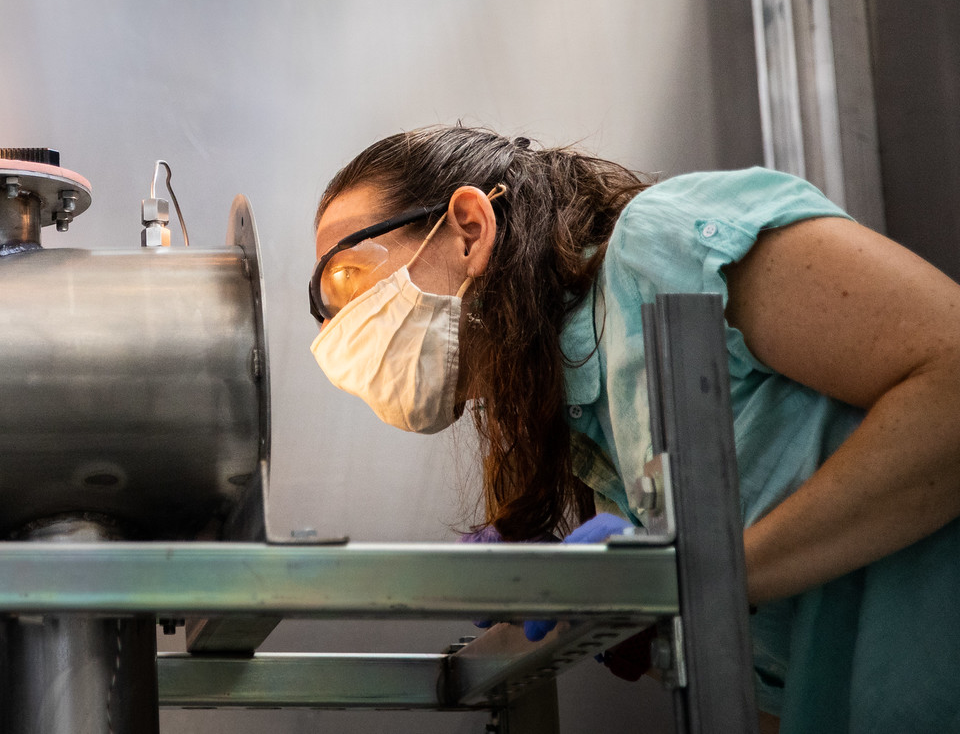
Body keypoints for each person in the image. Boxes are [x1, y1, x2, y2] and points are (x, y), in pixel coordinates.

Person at [306, 124, 960, 732]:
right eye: (326, 314)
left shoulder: (660, 249)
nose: (340, 336)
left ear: (471, 229)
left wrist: (696, 578)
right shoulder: (586, 432)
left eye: (346, 276)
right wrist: (642, 628)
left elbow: (950, 373)